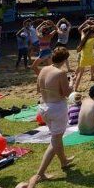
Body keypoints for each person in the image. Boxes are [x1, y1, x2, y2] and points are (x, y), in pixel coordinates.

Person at [35, 46, 74, 180]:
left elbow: (38, 89)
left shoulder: (44, 69)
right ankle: (40, 173)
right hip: (56, 107)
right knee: (55, 139)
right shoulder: (60, 73)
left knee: (56, 136)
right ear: (64, 60)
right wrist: (72, 82)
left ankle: (64, 161)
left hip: (43, 106)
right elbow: (66, 93)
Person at [73, 24, 94, 91]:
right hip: (90, 58)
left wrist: (88, 27)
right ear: (91, 34)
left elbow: (82, 30)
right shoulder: (92, 40)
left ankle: (75, 89)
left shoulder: (83, 38)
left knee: (80, 74)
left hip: (83, 58)